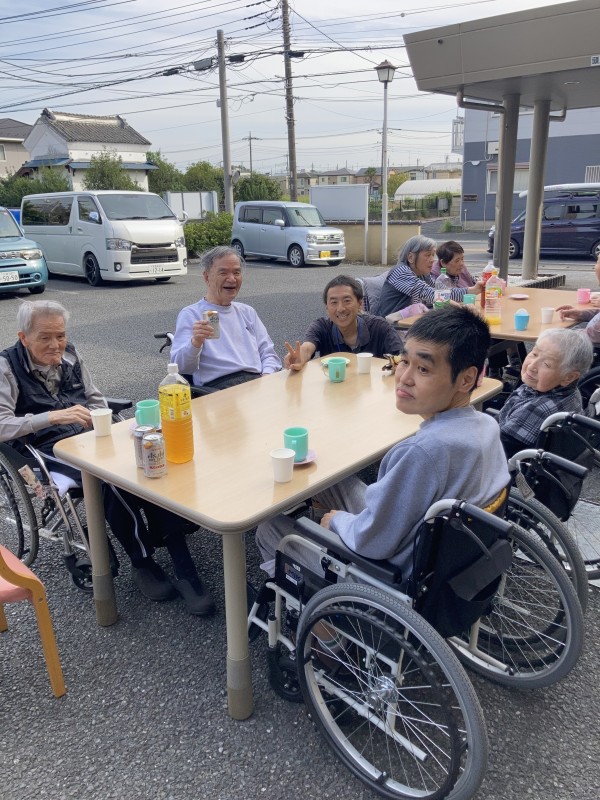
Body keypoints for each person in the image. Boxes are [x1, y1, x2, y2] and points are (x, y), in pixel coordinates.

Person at [256, 305, 510, 579]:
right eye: (404, 361)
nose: (405, 378)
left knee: (269, 529)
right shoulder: (486, 425)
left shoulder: (422, 452)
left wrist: (337, 521)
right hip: (438, 547)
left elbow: (373, 542)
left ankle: (307, 594)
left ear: (467, 379)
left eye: (423, 369)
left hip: (386, 573)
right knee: (329, 480)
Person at [0, 301, 215, 616]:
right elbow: (2, 424)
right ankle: (142, 562)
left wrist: (101, 418)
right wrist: (52, 417)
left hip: (88, 435)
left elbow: (95, 398)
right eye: (44, 337)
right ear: (23, 337)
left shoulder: (70, 354)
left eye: (60, 335)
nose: (55, 344)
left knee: (150, 457)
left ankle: (183, 563)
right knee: (112, 481)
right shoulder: (6, 367)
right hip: (46, 446)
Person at [170, 245, 281, 390]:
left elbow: (268, 354)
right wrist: (195, 342)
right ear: (207, 277)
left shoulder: (247, 312)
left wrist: (267, 376)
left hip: (256, 382)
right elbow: (180, 367)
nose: (232, 279)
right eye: (223, 273)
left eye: (237, 272)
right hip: (217, 388)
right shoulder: (191, 314)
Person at [497, 328, 593, 458]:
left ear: (569, 377)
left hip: (506, 459)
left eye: (547, 364)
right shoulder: (572, 394)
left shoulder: (539, 408)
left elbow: (498, 447)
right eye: (534, 353)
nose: (532, 366)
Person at [283, 274, 403, 371]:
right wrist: (300, 357)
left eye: (347, 301)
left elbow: (401, 358)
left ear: (360, 304)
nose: (340, 309)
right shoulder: (321, 327)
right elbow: (307, 348)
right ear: (327, 307)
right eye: (334, 302)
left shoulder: (379, 327)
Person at [375, 235, 483, 318]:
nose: (432, 260)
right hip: (390, 328)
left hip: (409, 323)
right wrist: (461, 308)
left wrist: (473, 290)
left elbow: (443, 292)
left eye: (433, 255)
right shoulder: (400, 271)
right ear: (411, 257)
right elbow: (429, 293)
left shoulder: (423, 274)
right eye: (427, 255)